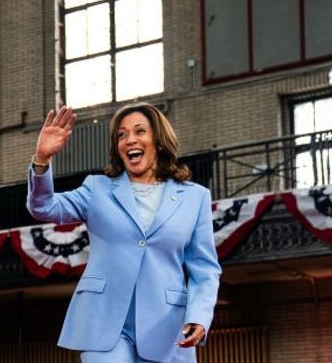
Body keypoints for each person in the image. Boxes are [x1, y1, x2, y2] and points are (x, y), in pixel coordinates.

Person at [26, 104, 221, 362]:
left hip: (165, 325)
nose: (130, 140)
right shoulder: (97, 189)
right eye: (121, 135)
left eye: (139, 131)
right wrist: (42, 159)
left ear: (159, 141)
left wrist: (200, 315)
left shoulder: (195, 197)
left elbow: (205, 268)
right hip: (103, 320)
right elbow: (44, 207)